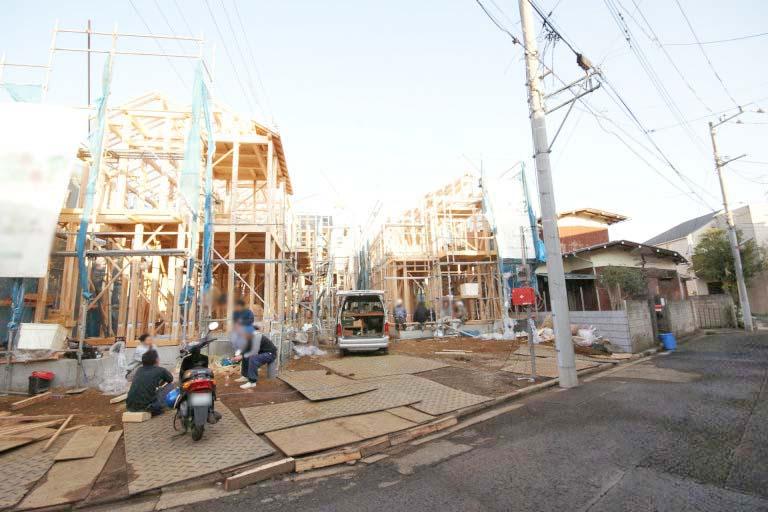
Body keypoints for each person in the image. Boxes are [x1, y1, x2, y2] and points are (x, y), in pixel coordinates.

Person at [126, 349, 175, 416]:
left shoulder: (139, 370)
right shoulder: (160, 370)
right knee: (171, 386)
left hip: (130, 407)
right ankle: (159, 407)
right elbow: (170, 379)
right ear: (156, 360)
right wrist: (161, 381)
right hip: (148, 407)